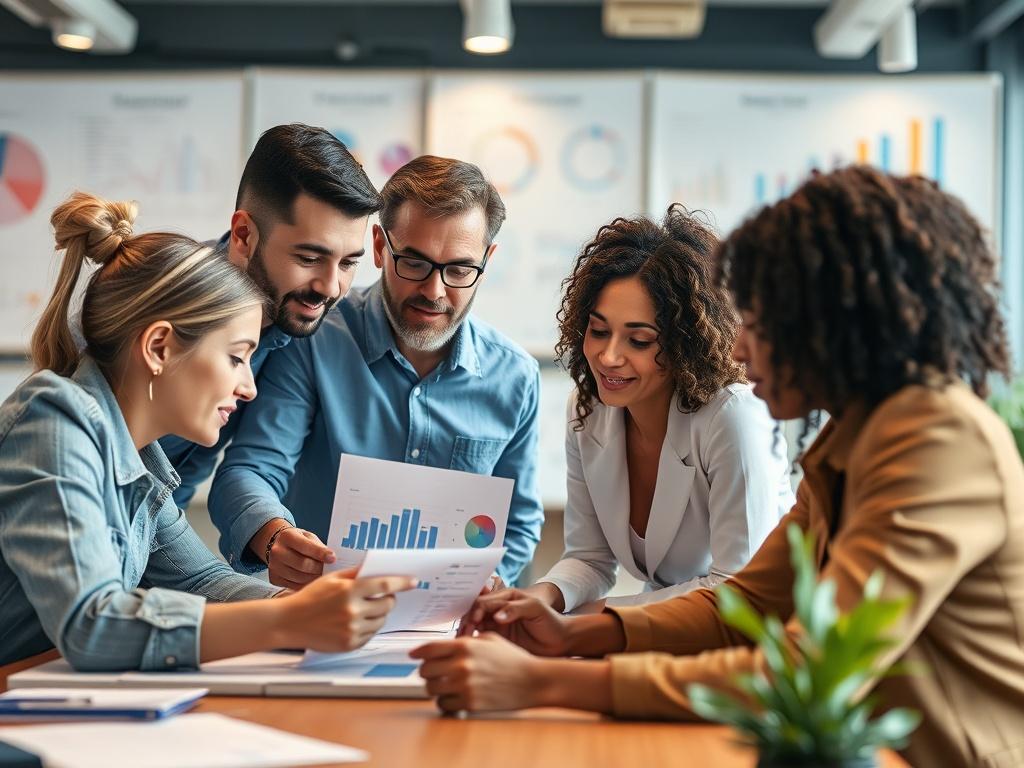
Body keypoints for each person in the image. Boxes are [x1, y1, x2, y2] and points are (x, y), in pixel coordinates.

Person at [412, 167, 1024, 768]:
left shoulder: (936, 441)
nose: (736, 348)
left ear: (830, 326)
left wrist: (543, 683)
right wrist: (572, 636)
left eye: (757, 326)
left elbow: (811, 666)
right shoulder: (853, 438)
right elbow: (748, 604)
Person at [0, 193, 413, 670]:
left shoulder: (144, 462)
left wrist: (317, 605)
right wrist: (290, 620)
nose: (249, 388)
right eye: (236, 357)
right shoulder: (54, 424)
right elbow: (93, 626)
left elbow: (203, 582)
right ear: (159, 347)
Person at [208, 156, 543, 588]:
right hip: (310, 617)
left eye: (460, 269)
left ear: (487, 260)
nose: (434, 291)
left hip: (444, 630)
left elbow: (517, 522)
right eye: (415, 263)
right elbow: (250, 470)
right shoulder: (313, 339)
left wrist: (488, 583)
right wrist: (274, 538)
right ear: (381, 247)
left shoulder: (515, 378)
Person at [498, 209, 790, 613]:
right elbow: (590, 559)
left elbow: (735, 588)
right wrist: (541, 597)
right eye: (598, 331)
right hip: (667, 627)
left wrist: (595, 619)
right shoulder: (588, 410)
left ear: (685, 344)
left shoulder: (732, 416)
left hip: (755, 638)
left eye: (639, 340)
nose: (609, 356)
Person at [160, 123, 382, 514]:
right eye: (309, 258)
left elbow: (167, 495)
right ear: (244, 235)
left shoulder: (289, 321)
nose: (331, 287)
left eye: (348, 262)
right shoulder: (155, 305)